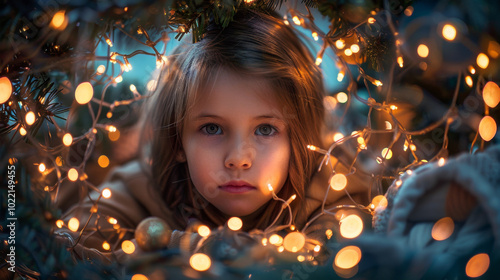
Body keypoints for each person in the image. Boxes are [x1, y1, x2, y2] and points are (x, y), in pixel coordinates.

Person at [57, 8, 370, 263]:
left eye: (265, 129)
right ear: (178, 139)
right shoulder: (143, 186)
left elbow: (333, 259)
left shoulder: (331, 192)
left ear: (298, 140)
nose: (237, 159)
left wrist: (178, 249)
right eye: (212, 128)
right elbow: (64, 253)